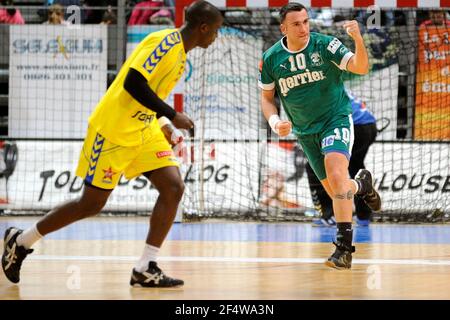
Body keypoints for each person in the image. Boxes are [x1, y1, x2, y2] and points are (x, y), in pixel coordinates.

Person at [2, 0, 223, 287]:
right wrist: (173, 114)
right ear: (203, 27)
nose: (216, 37)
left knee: (173, 187)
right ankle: (20, 241)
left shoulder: (181, 55)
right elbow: (133, 82)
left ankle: (145, 266)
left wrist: (166, 126)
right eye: (215, 31)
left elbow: (149, 94)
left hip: (142, 128)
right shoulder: (166, 43)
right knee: (90, 204)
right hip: (113, 130)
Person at [259, 3, 381, 269]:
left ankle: (344, 249)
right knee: (340, 191)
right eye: (296, 24)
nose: (303, 28)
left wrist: (358, 39)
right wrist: (275, 120)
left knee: (337, 176)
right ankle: (362, 186)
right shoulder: (271, 58)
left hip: (335, 119)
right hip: (304, 132)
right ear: (284, 28)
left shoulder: (326, 45)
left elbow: (360, 68)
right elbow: (267, 98)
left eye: (305, 22)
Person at [308, 89, 377, 227]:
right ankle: (364, 216)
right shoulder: (328, 80)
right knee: (355, 167)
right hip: (368, 123)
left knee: (315, 166)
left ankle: (329, 214)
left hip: (354, 124)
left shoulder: (315, 87)